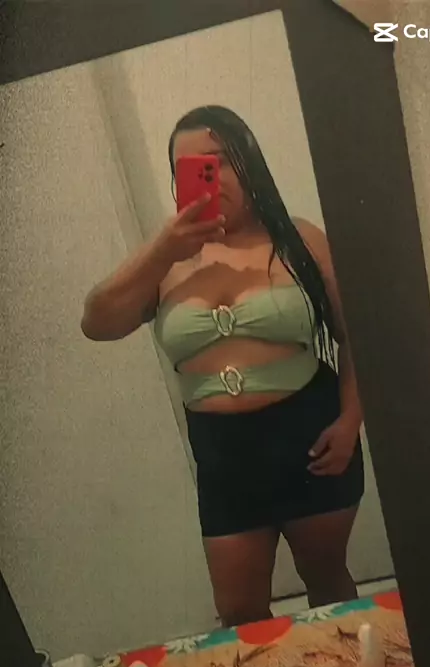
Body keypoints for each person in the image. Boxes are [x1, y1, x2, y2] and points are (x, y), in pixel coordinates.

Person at [81, 105, 364, 627]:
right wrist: (163, 248)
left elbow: (357, 339)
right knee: (238, 610)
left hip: (312, 440)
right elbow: (97, 322)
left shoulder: (299, 239)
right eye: (190, 168)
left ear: (248, 162)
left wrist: (350, 423)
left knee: (327, 580)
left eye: (220, 161)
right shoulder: (165, 262)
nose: (211, 177)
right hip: (224, 459)